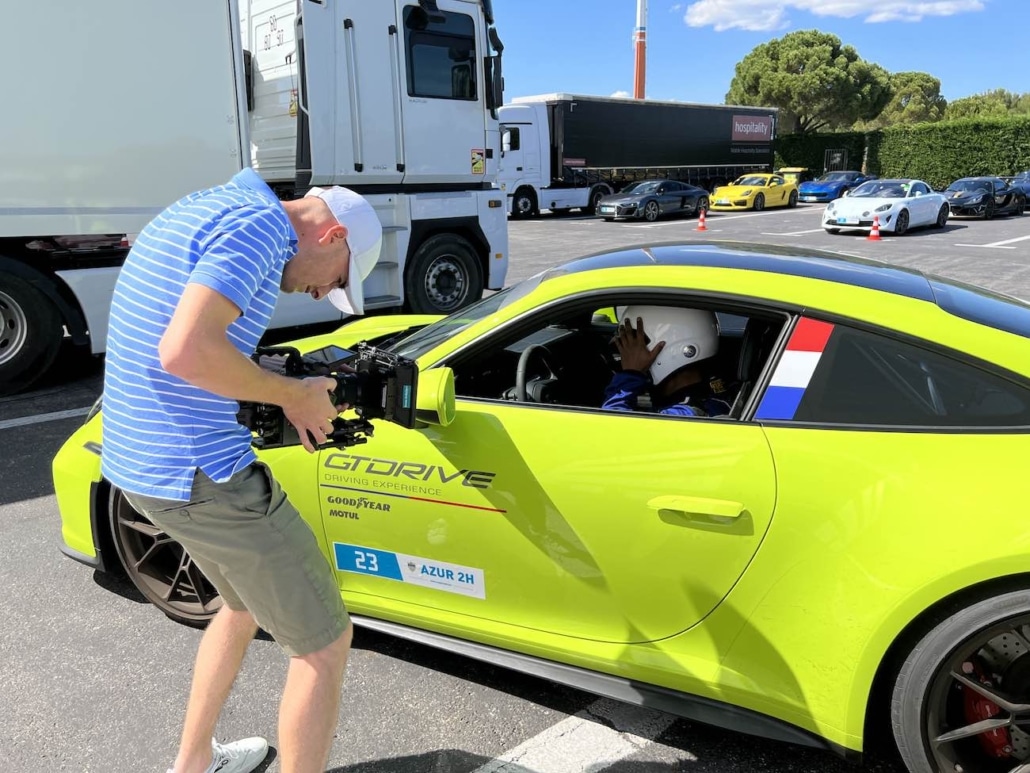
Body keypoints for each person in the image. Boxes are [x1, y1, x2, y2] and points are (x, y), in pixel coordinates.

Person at [100, 166, 383, 773]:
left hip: (140, 466)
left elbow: (173, 341)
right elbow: (186, 351)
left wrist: (280, 384)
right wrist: (294, 396)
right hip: (203, 474)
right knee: (325, 645)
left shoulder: (207, 205)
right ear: (333, 236)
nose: (320, 295)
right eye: (335, 281)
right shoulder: (259, 229)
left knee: (240, 606)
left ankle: (194, 762)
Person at [602, 306, 731, 418]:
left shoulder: (688, 414)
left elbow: (610, 429)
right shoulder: (708, 396)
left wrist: (631, 375)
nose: (626, 354)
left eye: (636, 345)